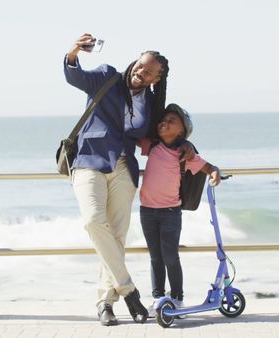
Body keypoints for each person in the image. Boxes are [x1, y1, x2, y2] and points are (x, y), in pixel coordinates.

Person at [64, 33, 192, 326]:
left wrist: (189, 147)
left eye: (148, 72)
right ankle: (129, 290)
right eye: (139, 66)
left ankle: (106, 302)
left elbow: (166, 138)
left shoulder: (151, 103)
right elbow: (75, 77)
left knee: (118, 235)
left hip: (124, 167)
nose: (140, 72)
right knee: (93, 222)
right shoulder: (108, 77)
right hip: (90, 161)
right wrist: (73, 54)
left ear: (156, 79)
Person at [137, 103, 221, 317]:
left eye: (171, 121)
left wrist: (214, 173)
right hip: (146, 210)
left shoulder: (185, 154)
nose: (164, 123)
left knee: (170, 256)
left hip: (170, 212)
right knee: (155, 256)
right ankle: (157, 297)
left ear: (182, 131)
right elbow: (133, 136)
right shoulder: (152, 146)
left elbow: (208, 167)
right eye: (163, 121)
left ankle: (177, 298)